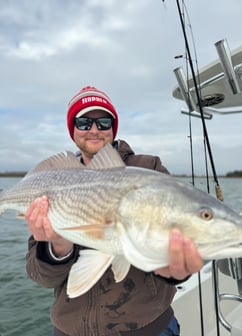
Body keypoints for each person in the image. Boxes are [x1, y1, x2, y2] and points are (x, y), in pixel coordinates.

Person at [25, 86, 203, 336]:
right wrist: (58, 248)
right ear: (72, 129)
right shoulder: (52, 182)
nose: (94, 130)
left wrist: (177, 269)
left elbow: (176, 238)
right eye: (84, 122)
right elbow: (40, 277)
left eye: (103, 121)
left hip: (148, 328)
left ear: (113, 126)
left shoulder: (149, 168)